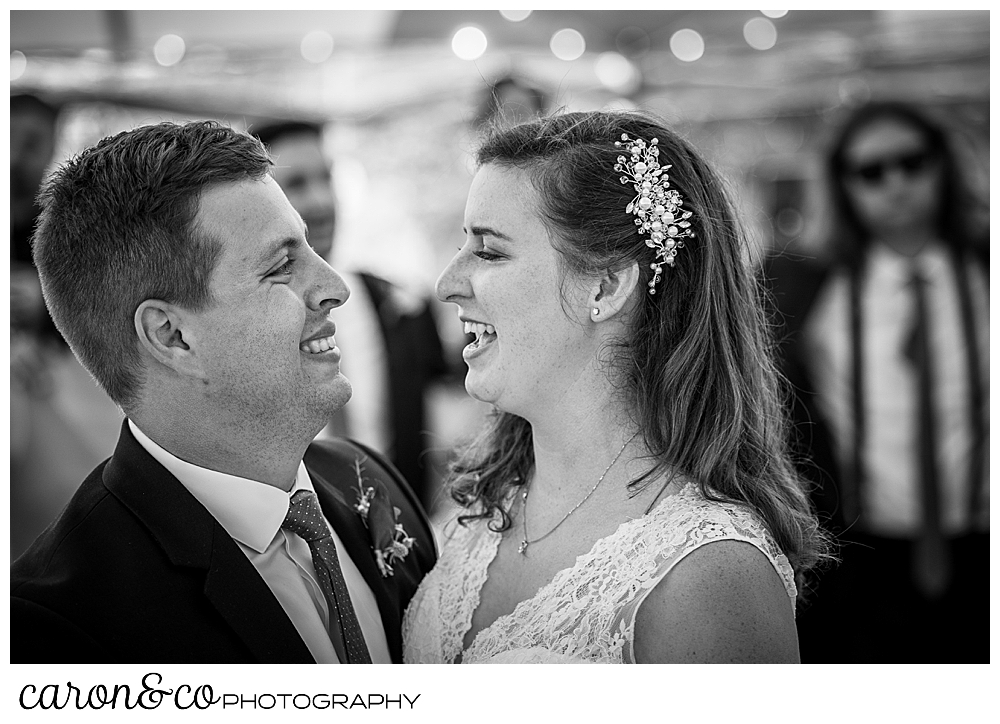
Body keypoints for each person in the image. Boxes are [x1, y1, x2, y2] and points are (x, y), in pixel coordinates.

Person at [401, 111, 829, 664]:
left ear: (605, 284)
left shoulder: (709, 575)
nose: (446, 283)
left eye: (489, 250)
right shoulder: (488, 499)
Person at [10, 120, 436, 663]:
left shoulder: (368, 481)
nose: (335, 287)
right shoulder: (61, 631)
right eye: (282, 267)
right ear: (172, 336)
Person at [764, 101, 989, 662]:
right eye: (870, 171)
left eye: (912, 162)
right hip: (859, 560)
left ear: (945, 165)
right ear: (841, 185)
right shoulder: (801, 287)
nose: (895, 183)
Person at [250, 121, 448, 509]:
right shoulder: (245, 328)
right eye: (298, 185)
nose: (322, 201)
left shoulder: (397, 303)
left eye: (327, 177)